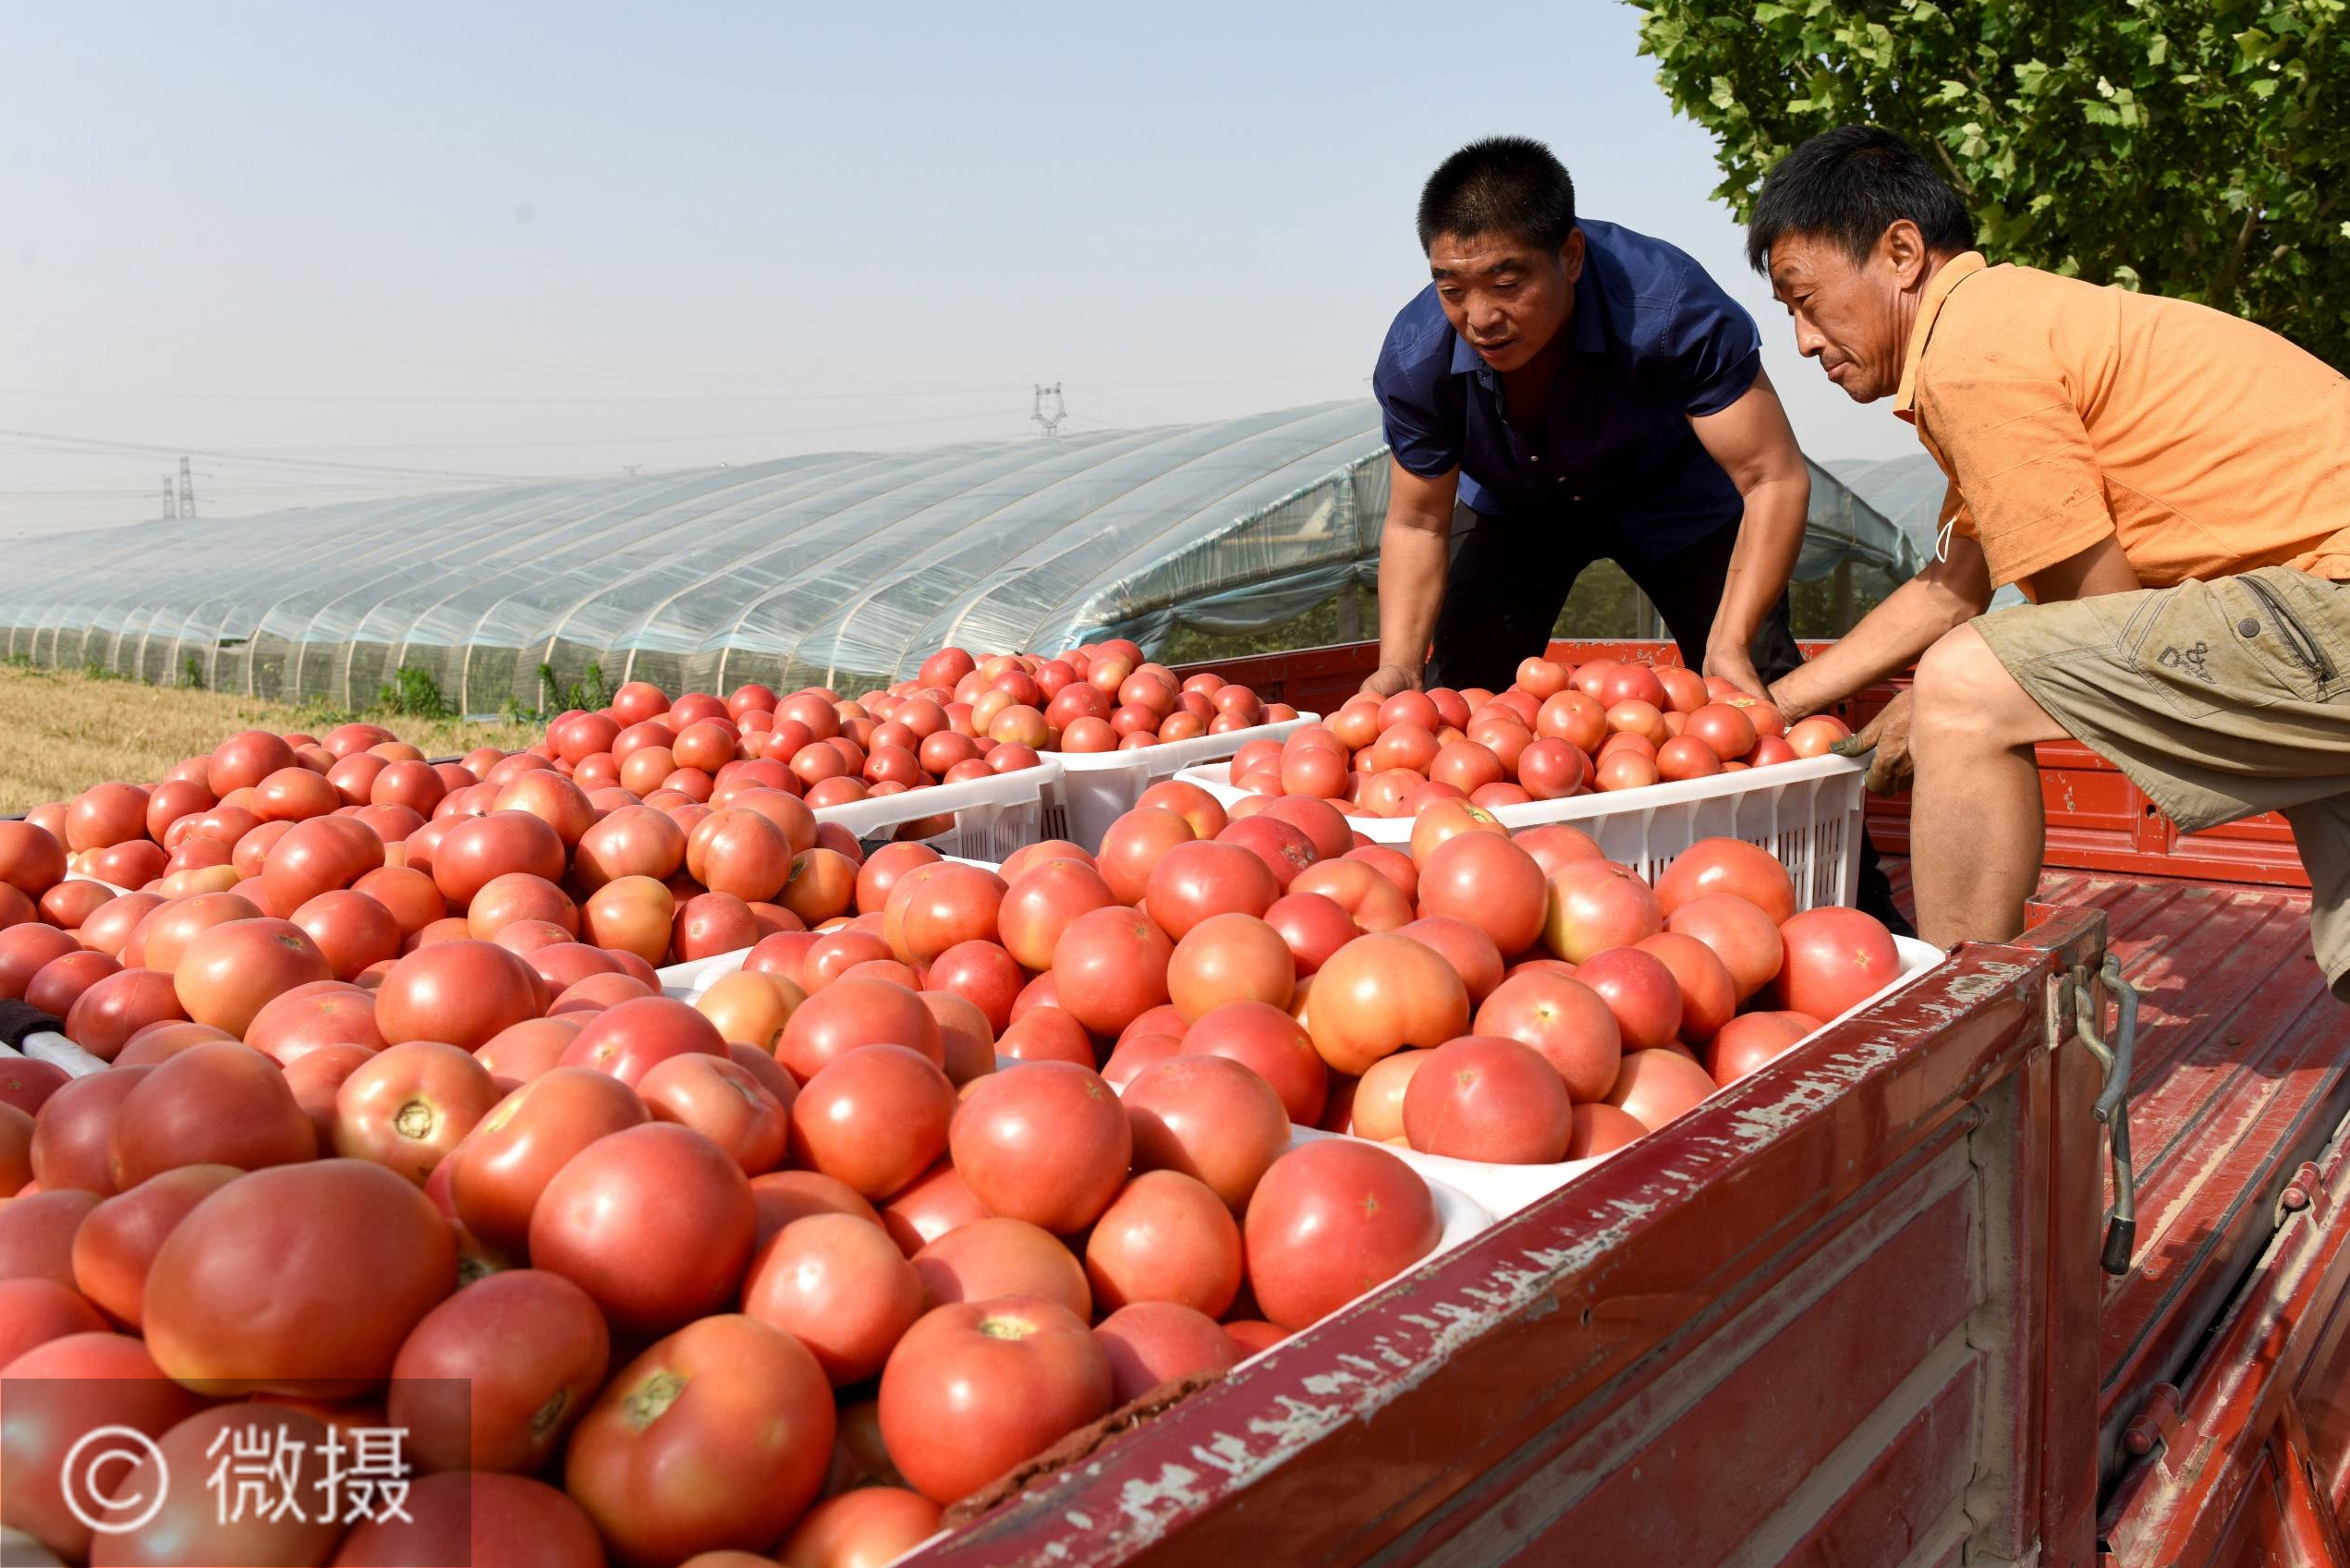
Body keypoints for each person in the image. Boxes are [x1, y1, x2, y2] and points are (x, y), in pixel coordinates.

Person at [1748, 126, 2350, 997]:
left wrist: (1938, 705)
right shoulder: (2007, 320)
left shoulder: (1973, 356)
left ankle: (1956, 1029)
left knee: (1962, 685)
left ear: (1902, 253)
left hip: (2328, 601)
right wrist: (1772, 708)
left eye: (1805, 301)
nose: (1804, 342)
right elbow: (1951, 586)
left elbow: (2097, 616)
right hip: (2313, 606)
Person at [1360, 135, 1811, 703]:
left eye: (1506, 285)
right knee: (1458, 697)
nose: (1480, 318)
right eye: (1451, 289)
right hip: (1516, 509)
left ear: (1571, 256)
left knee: (1757, 684)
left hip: (1677, 498)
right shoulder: (1415, 358)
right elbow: (1418, 523)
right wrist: (1399, 668)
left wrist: (1730, 640)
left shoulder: (1673, 310)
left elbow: (1773, 477)